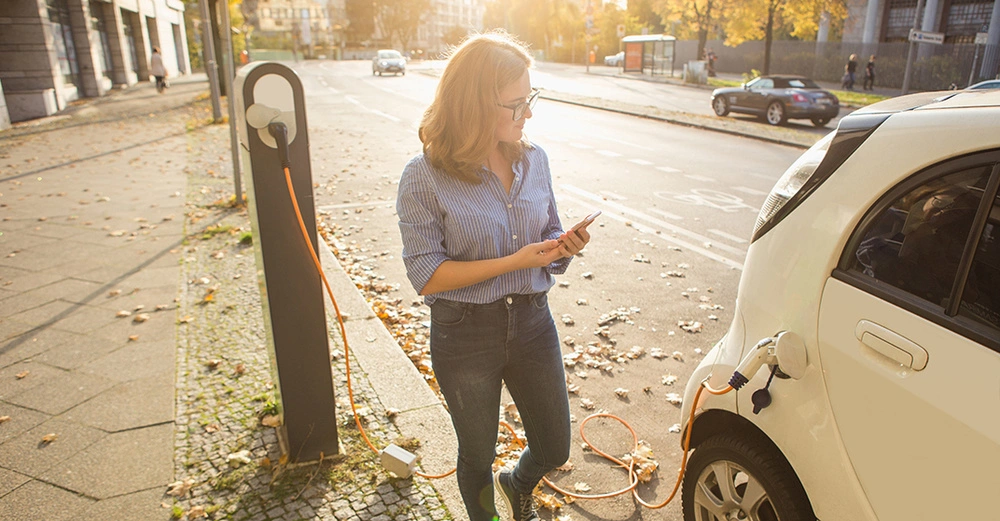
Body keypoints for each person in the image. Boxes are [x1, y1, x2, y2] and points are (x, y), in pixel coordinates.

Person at [396, 30, 588, 521]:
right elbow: (427, 274)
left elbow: (545, 237)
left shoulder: (535, 159)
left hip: (531, 321)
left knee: (555, 448)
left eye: (531, 98)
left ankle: (517, 482)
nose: (528, 113)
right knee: (477, 455)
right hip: (464, 332)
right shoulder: (424, 175)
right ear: (474, 105)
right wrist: (515, 261)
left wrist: (562, 247)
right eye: (516, 103)